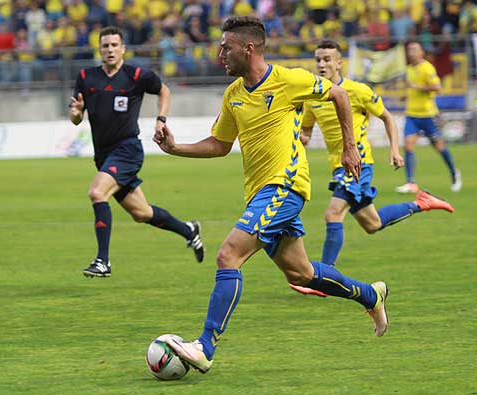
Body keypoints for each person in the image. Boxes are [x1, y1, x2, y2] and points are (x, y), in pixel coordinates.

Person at [153, 16, 390, 374]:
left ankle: (205, 346)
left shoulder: (288, 80)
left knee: (228, 255)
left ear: (248, 49)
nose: (220, 53)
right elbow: (219, 145)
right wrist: (175, 148)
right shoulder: (233, 95)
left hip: (285, 186)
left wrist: (349, 148)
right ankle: (370, 296)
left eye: (226, 47)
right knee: (301, 274)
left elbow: (339, 93)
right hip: (260, 193)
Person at [292, 40, 454, 296]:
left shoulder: (357, 91)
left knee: (333, 214)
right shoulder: (315, 97)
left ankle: (323, 277)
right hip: (338, 167)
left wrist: (394, 150)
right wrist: (300, 138)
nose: (322, 64)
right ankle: (421, 203)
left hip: (359, 164)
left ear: (339, 63)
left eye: (327, 59)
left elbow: (387, 117)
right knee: (372, 223)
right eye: (318, 59)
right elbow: (307, 131)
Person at [70, 26, 204, 278]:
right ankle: (189, 231)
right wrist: (76, 114)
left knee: (97, 192)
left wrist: (161, 119)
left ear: (123, 49)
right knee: (142, 213)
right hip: (104, 156)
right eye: (105, 46)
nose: (109, 50)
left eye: (114, 45)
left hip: (128, 151)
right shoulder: (87, 77)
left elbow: (164, 90)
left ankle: (103, 262)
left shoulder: (136, 75)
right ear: (99, 49)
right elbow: (76, 117)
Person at [396, 41, 462, 194]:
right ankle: (411, 182)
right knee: (408, 146)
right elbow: (411, 88)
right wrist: (405, 96)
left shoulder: (427, 68)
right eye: (409, 49)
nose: (410, 52)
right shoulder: (409, 69)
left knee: (439, 147)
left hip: (427, 115)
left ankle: (454, 173)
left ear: (421, 53)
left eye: (414, 49)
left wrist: (417, 87)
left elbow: (437, 87)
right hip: (412, 115)